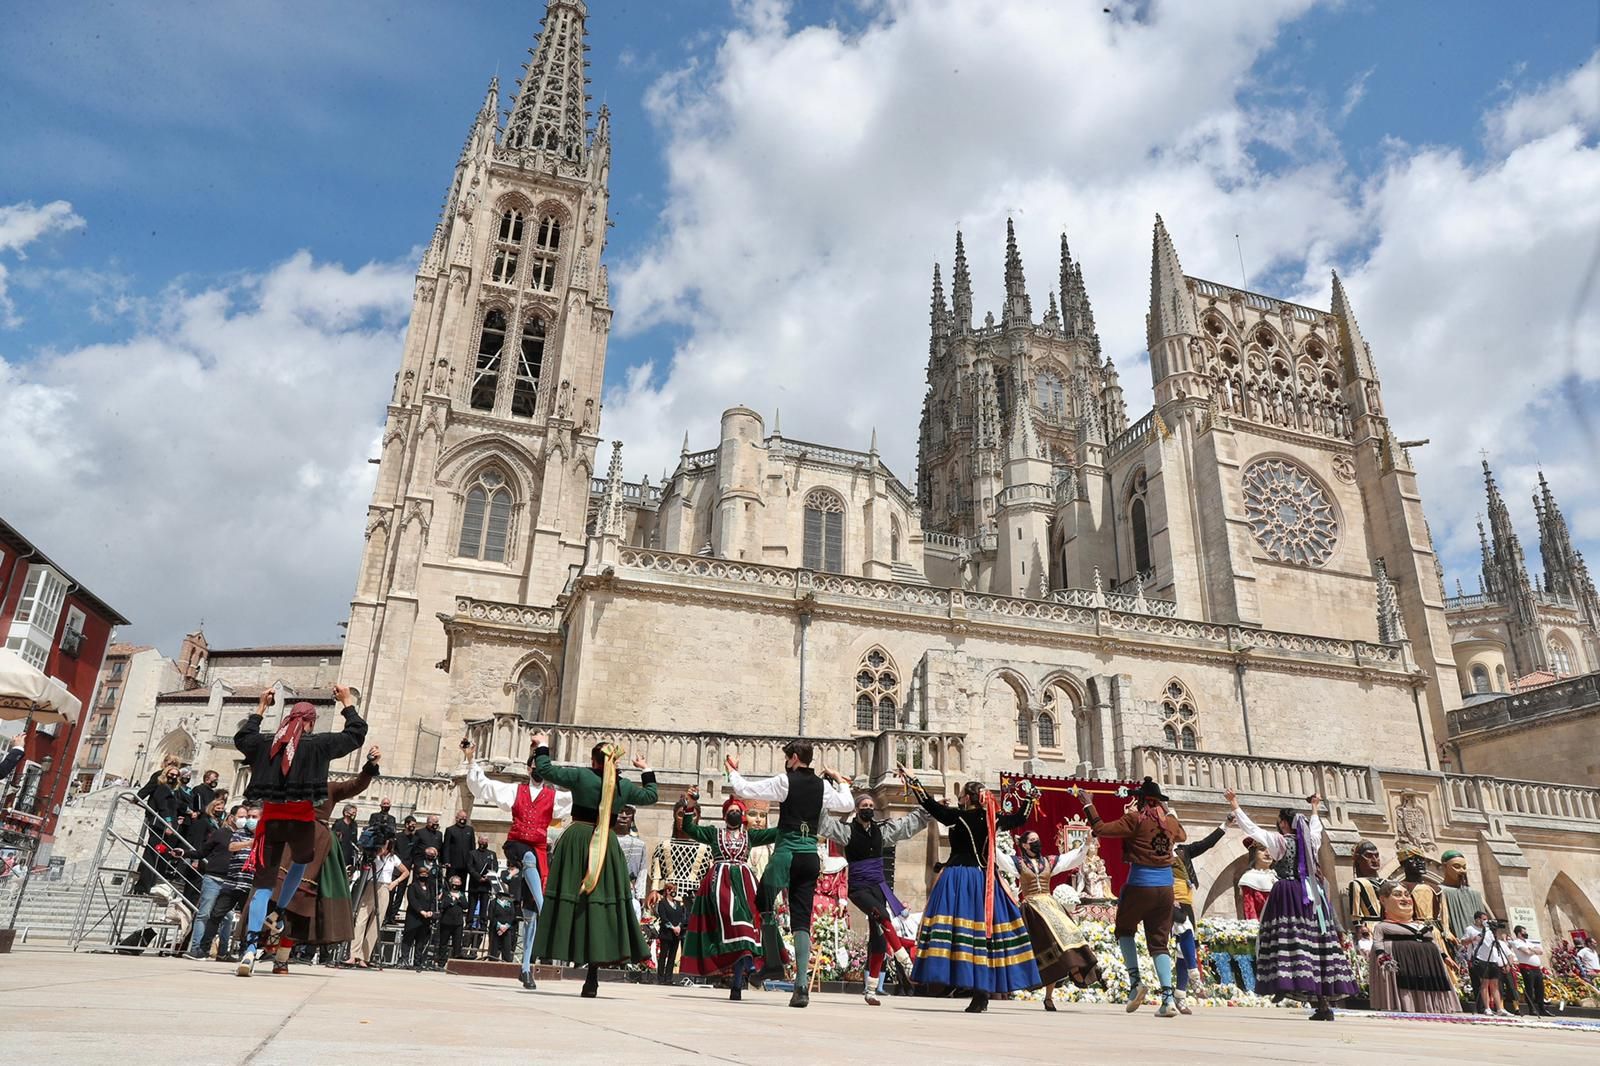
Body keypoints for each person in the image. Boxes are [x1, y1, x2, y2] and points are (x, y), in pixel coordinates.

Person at [234, 685, 368, 977]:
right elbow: (356, 733)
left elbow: (242, 738)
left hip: (271, 822)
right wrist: (346, 702)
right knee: (300, 865)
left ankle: (250, 949)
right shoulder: (317, 745)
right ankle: (281, 912)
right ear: (311, 721)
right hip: (302, 822)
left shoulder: (267, 744)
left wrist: (260, 708)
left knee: (263, 884)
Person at [529, 731, 659, 998]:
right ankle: (593, 975)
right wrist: (647, 769)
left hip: (578, 840)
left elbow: (544, 769)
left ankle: (567, 950)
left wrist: (542, 744)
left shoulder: (581, 776)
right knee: (601, 902)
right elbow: (651, 795)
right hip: (606, 844)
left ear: (594, 761)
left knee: (575, 900)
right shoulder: (623, 786)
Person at [726, 740, 855, 1008]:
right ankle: (801, 987)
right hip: (810, 858)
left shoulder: (785, 781)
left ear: (794, 758)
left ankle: (773, 963)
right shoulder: (823, 786)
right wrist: (840, 780)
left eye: (787, 757)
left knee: (763, 901)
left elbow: (743, 788)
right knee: (801, 918)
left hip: (786, 854)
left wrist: (732, 770)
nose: (786, 762)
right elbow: (846, 804)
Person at [905, 769, 1040, 1014]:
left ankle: (968, 987)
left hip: (959, 878)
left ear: (968, 797)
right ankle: (981, 992)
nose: (959, 797)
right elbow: (1020, 819)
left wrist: (913, 781)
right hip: (984, 879)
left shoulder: (959, 817)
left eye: (962, 793)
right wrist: (1031, 799)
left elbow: (929, 805)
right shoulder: (992, 818)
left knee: (959, 933)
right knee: (983, 936)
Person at [1225, 789, 1356, 1020]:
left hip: (1289, 893)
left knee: (1286, 937)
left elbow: (1253, 830)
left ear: (1284, 824)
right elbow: (1316, 827)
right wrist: (1314, 808)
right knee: (1317, 943)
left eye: (1280, 822)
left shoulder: (1279, 842)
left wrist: (1235, 804)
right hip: (1313, 895)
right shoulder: (1311, 841)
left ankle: (1284, 982)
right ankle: (1323, 1005)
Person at [462, 737, 573, 990]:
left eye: (541, 767)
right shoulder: (515, 791)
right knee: (529, 859)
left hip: (540, 850)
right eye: (534, 766)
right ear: (528, 768)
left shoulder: (554, 796)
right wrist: (470, 759)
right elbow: (484, 787)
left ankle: (525, 969)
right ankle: (548, 911)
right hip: (518, 845)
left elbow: (578, 799)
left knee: (530, 915)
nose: (537, 771)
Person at [1071, 777, 1186, 1018]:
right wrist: (1167, 812)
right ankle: (1167, 998)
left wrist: (1087, 804)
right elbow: (1182, 836)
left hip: (1140, 884)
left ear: (1142, 800)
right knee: (1159, 941)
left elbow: (1101, 828)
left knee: (1124, 929)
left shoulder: (1135, 819)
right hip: (1166, 888)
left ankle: (1135, 983)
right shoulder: (1171, 823)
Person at [267, 745, 381, 975]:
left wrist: (370, 765)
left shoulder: (330, 789)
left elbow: (355, 785)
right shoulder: (292, 788)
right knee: (275, 893)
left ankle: (282, 958)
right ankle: (263, 938)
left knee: (303, 902)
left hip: (317, 845)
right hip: (291, 840)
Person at [819, 792, 928, 1005]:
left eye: (871, 805)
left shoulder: (882, 831)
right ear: (857, 809)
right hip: (859, 889)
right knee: (883, 914)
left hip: (878, 887)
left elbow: (906, 826)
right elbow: (825, 824)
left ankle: (870, 990)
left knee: (878, 939)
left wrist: (928, 809)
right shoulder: (847, 832)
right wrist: (822, 794)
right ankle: (905, 960)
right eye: (864, 805)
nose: (868, 808)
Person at [676, 791, 781, 1000]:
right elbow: (688, 828)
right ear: (724, 816)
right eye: (730, 811)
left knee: (748, 927)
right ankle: (749, 969)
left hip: (744, 885)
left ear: (741, 816)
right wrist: (690, 805)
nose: (733, 814)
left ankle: (737, 982)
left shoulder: (750, 836)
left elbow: (777, 833)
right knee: (737, 924)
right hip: (720, 886)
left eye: (737, 811)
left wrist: (791, 813)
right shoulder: (714, 834)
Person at [1010, 825, 1100, 1011]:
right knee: (1044, 950)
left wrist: (1086, 844)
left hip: (1050, 908)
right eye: (1032, 841)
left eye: (1037, 839)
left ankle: (1074, 971)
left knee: (1068, 936)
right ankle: (1015, 985)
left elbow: (1070, 859)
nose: (1037, 843)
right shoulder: (1018, 863)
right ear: (1025, 846)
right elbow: (1000, 859)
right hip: (1032, 911)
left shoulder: (1048, 862)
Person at [1367, 880, 1460, 1014]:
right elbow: (1377, 942)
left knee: (1430, 983)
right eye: (1398, 895)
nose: (1405, 899)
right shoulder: (1382, 926)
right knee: (1405, 983)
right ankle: (1405, 1005)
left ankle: (1433, 1006)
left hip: (1428, 965)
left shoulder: (1422, 926)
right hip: (1402, 961)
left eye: (1407, 894)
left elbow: (1433, 943)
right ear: (1383, 900)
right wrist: (1382, 957)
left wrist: (1445, 957)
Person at [1170, 818, 1228, 1011]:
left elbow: (1207, 843)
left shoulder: (1183, 850)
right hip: (1168, 900)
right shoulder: (1156, 853)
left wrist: (1225, 824)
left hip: (1186, 901)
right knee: (1184, 931)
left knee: (1182, 950)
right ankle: (1195, 977)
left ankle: (1180, 995)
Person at [189, 803, 253, 959]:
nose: (245, 820)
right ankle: (198, 949)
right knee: (208, 914)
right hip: (220, 879)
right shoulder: (226, 834)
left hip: (241, 881)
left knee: (231, 918)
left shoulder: (251, 834)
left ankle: (224, 952)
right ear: (232, 817)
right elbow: (203, 851)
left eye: (249, 816)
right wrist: (185, 853)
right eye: (243, 816)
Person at [350, 836, 406, 969]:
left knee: (376, 922)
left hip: (385, 886)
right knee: (361, 918)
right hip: (370, 885)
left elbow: (406, 872)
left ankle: (365, 956)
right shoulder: (374, 855)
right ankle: (353, 954)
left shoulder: (393, 858)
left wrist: (394, 883)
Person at [647, 795, 712, 908]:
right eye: (681, 815)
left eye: (692, 815)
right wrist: (655, 890)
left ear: (698, 817)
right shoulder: (664, 846)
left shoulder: (706, 849)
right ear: (675, 816)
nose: (686, 819)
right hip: (668, 899)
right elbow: (656, 875)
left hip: (695, 900)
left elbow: (710, 878)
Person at [1462, 914, 1514, 1016]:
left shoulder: (1490, 931)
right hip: (1480, 958)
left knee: (1494, 984)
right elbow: (1463, 941)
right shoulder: (1470, 929)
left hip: (1492, 959)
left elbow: (1494, 943)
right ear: (1477, 919)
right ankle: (1487, 1008)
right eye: (1484, 919)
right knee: (1484, 983)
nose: (1486, 921)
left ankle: (1499, 1008)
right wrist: (1473, 938)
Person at [401, 862, 439, 971]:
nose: (424, 877)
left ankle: (418, 962)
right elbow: (412, 901)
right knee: (408, 939)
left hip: (425, 919)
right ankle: (404, 959)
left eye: (426, 875)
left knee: (421, 941)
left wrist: (431, 912)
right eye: (422, 874)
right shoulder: (412, 887)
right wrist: (421, 911)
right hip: (414, 917)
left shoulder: (430, 888)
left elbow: (432, 900)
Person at [615, 805, 648, 920]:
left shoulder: (640, 845)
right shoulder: (603, 841)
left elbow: (642, 872)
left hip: (630, 894)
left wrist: (640, 895)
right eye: (620, 811)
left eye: (628, 812)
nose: (624, 816)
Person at [654, 882, 687, 986]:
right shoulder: (662, 903)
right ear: (667, 891)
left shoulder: (678, 904)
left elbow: (682, 917)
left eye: (675, 890)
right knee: (663, 955)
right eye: (671, 890)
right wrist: (672, 927)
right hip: (666, 934)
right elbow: (663, 918)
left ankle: (668, 978)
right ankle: (660, 978)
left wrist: (679, 927)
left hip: (676, 935)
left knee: (672, 957)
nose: (674, 892)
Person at [1345, 840, 1384, 925]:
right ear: (1358, 859)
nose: (1374, 860)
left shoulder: (1387, 883)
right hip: (1370, 925)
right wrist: (1359, 927)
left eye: (1376, 856)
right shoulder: (1357, 883)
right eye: (1368, 856)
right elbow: (1355, 912)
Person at [1237, 839, 1276, 920]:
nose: (1268, 854)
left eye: (1271, 850)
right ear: (1254, 853)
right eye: (1262, 850)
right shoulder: (1249, 878)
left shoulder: (1278, 877)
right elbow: (1249, 909)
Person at [467, 835, 499, 929]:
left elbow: (495, 867)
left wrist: (488, 876)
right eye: (482, 842)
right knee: (472, 905)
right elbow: (470, 867)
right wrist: (478, 877)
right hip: (475, 883)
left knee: (484, 905)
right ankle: (469, 922)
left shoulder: (492, 854)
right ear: (478, 842)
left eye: (485, 842)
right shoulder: (472, 853)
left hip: (486, 884)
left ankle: (483, 923)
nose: (483, 844)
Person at [488, 877, 520, 963]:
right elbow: (491, 916)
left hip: (507, 929)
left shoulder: (510, 903)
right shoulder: (493, 902)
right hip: (496, 929)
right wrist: (499, 926)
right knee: (493, 950)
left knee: (506, 950)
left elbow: (512, 916)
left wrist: (505, 926)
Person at [442, 809, 475, 889]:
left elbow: (472, 846)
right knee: (450, 883)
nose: (463, 819)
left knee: (462, 884)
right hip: (453, 863)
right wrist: (446, 861)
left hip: (465, 863)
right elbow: (446, 846)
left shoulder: (470, 830)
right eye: (461, 817)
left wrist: (472, 861)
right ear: (457, 818)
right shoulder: (450, 830)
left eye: (465, 817)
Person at [439, 875, 469, 962]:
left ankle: (456, 961)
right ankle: (441, 961)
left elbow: (465, 906)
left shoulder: (462, 894)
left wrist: (458, 898)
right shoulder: (445, 893)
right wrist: (450, 901)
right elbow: (442, 905)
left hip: (458, 923)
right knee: (443, 943)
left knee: (457, 943)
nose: (456, 884)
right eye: (455, 882)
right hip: (446, 922)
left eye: (458, 883)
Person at [333, 804, 361, 870]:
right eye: (353, 812)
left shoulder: (354, 824)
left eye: (355, 812)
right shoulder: (338, 823)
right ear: (346, 813)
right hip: (340, 852)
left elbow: (354, 840)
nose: (354, 814)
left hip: (350, 854)